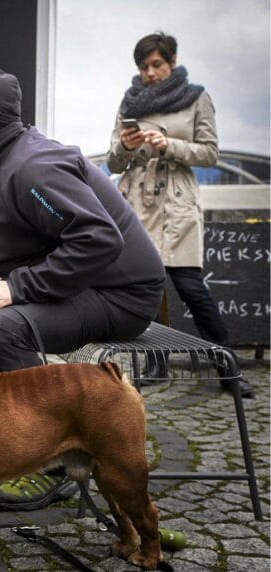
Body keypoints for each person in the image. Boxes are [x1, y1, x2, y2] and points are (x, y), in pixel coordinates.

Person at [0, 68, 166, 512]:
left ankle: (52, 461)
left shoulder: (33, 166)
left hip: (121, 294)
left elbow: (99, 239)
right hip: (81, 285)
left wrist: (20, 286)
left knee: (2, 328)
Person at [107, 32, 252, 399]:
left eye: (157, 64)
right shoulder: (130, 102)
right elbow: (112, 160)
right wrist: (126, 146)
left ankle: (226, 366)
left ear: (172, 62)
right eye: (143, 66)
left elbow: (210, 153)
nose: (150, 73)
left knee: (189, 284)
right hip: (137, 199)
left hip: (176, 199)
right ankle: (155, 361)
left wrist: (168, 144)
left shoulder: (197, 97)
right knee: (146, 284)